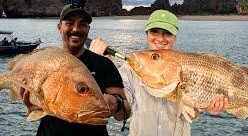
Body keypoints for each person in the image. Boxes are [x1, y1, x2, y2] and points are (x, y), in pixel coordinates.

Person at [89, 10, 229, 136]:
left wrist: (208, 106)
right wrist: (101, 68)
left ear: (175, 37)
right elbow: (121, 113)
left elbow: (190, 114)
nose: (160, 39)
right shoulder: (129, 70)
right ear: (147, 34)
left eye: (167, 33)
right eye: (154, 31)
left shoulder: (187, 69)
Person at [20, 0, 131, 136]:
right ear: (59, 27)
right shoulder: (45, 64)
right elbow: (33, 109)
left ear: (88, 30)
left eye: (82, 24)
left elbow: (125, 113)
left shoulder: (104, 64)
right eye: (69, 23)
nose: (76, 29)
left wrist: (116, 103)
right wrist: (31, 106)